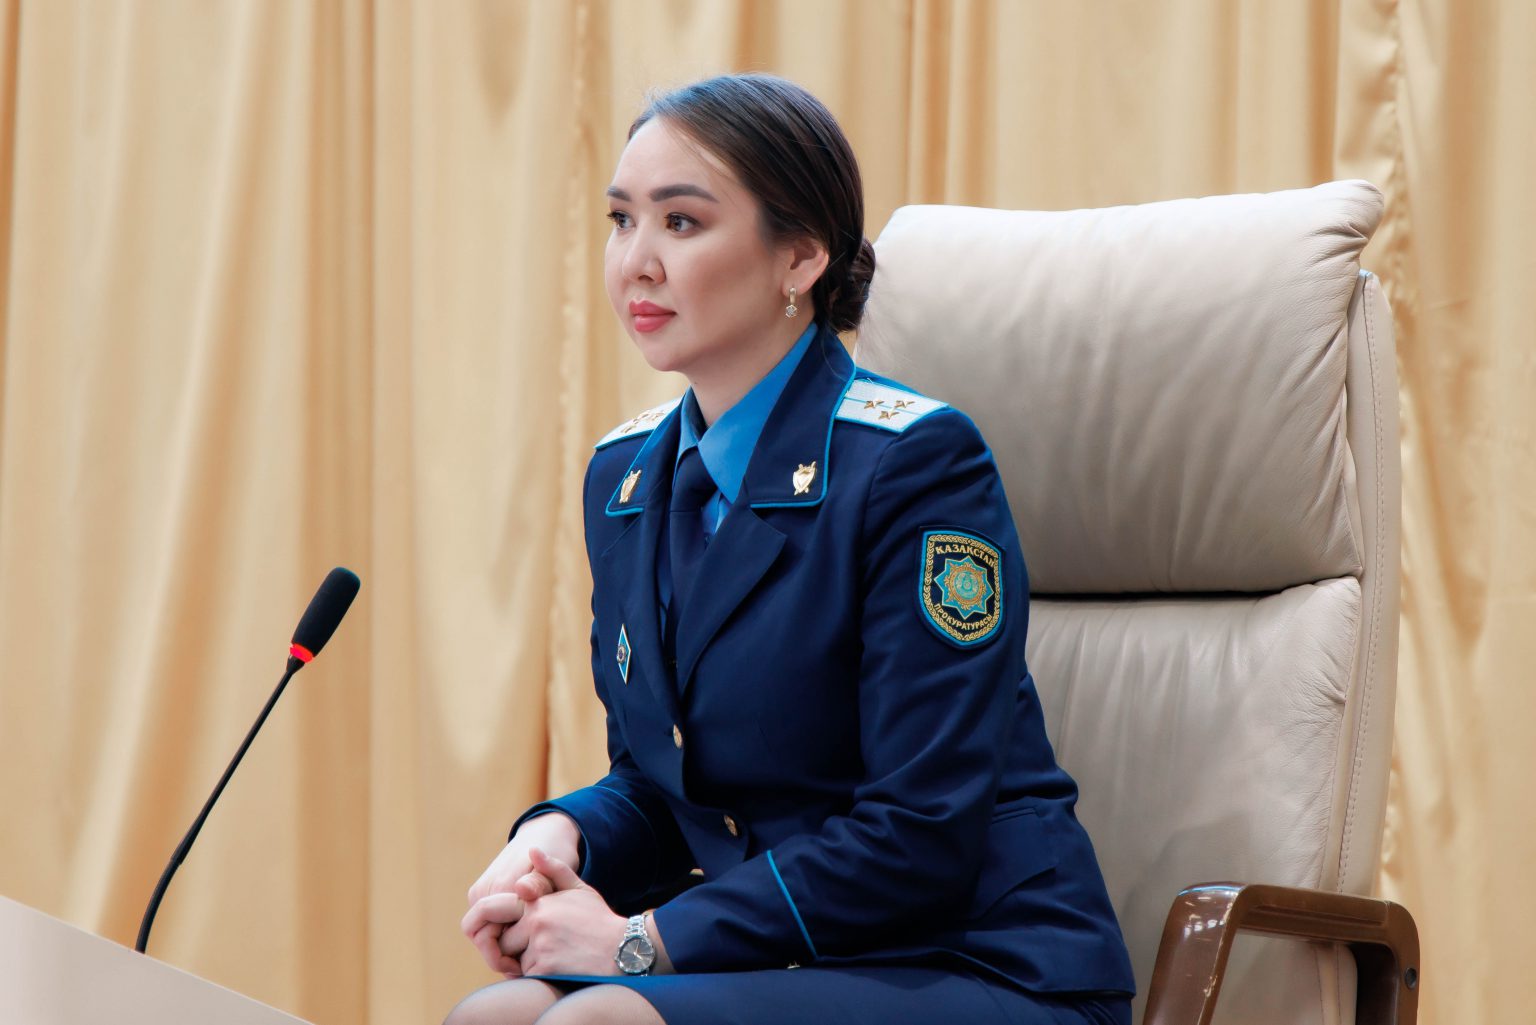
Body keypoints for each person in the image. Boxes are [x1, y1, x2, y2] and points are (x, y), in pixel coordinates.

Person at [446, 73, 1135, 1025]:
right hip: (782, 957)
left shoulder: (914, 465)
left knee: (596, 1020)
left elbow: (920, 830)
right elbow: (666, 786)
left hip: (980, 960)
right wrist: (560, 837)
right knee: (493, 1014)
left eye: (680, 222)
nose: (636, 262)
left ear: (802, 256)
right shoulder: (623, 479)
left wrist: (642, 941)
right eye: (620, 220)